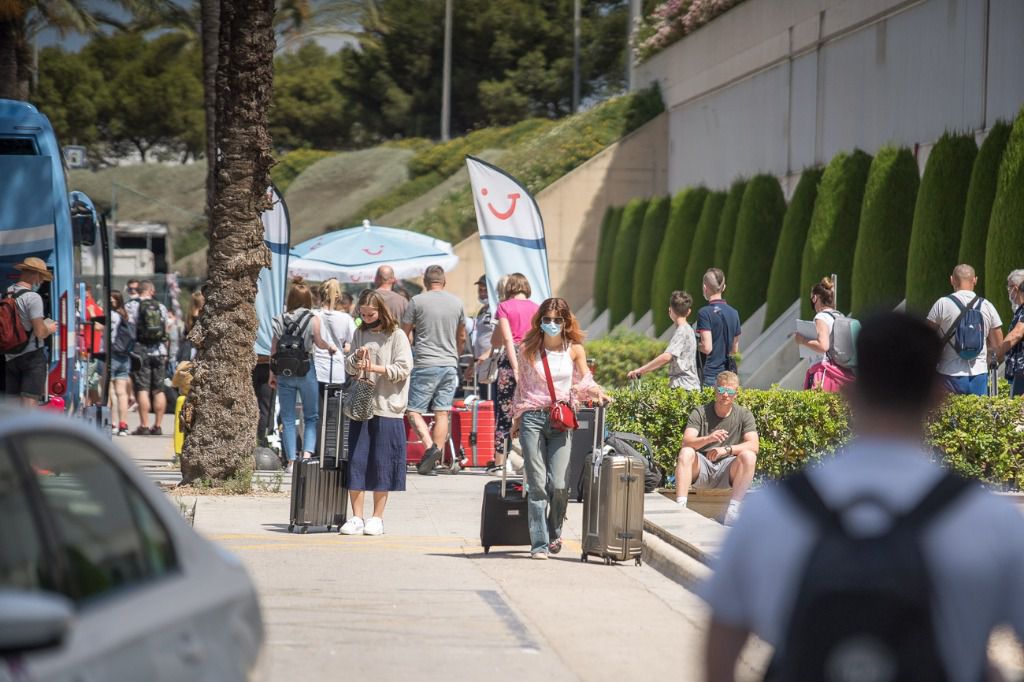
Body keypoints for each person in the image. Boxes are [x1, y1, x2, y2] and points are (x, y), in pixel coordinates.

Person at [702, 311, 1024, 682]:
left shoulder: (772, 510)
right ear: (938, 397)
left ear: (849, 392)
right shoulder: (988, 520)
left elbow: (719, 657)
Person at [510, 297, 609, 559]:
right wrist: (516, 419)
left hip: (561, 418)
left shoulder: (574, 349)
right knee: (538, 483)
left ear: (565, 322)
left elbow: (586, 379)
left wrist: (597, 392)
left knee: (561, 484)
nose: (552, 324)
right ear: (540, 321)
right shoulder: (528, 348)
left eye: (557, 320)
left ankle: (555, 531)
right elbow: (522, 387)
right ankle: (539, 544)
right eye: (547, 320)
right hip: (532, 417)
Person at [338, 290, 413, 537]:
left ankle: (377, 517)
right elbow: (349, 366)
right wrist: (356, 360)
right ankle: (356, 516)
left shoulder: (397, 335)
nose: (366, 318)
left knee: (383, 463)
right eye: (362, 314)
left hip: (388, 405)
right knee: (357, 461)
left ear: (381, 311)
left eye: (370, 314)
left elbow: (404, 368)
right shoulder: (359, 332)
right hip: (362, 406)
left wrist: (376, 368)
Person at [401, 265, 466, 475]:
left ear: (425, 282)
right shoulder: (457, 303)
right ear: (444, 281)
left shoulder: (417, 301)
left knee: (413, 411)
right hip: (449, 364)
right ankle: (434, 461)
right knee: (442, 412)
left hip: (425, 363)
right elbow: (462, 336)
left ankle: (431, 449)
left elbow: (404, 333)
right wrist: (455, 354)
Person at [269, 278, 337, 473]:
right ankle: (306, 456)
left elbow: (274, 349)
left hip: (284, 371)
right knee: (311, 416)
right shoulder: (313, 318)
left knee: (288, 417)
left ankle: (290, 461)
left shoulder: (279, 319)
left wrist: (272, 374)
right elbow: (319, 341)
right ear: (308, 299)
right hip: (306, 369)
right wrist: (330, 346)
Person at [674, 371, 758, 526]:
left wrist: (726, 449)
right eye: (721, 390)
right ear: (715, 390)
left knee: (749, 456)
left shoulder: (744, 414)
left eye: (730, 391)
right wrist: (709, 438)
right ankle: (680, 508)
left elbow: (754, 445)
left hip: (728, 470)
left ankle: (732, 511)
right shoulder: (700, 412)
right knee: (686, 452)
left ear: (736, 394)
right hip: (702, 468)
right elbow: (686, 442)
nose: (725, 395)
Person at [926, 264, 1003, 396]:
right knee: (978, 415)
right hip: (979, 374)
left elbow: (925, 339)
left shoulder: (942, 304)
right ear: (975, 280)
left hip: (948, 372)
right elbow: (999, 346)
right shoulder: (987, 305)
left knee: (949, 416)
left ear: (952, 280)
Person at [492, 274, 540, 464]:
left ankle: (500, 462)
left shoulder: (504, 307)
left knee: (504, 411)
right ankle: (531, 459)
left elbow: (507, 339)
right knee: (531, 409)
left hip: (511, 362)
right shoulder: (537, 308)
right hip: (533, 359)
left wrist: (515, 366)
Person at [3, 257, 57, 407]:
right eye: (41, 276)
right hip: (31, 356)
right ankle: (28, 431)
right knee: (29, 403)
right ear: (35, 274)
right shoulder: (33, 298)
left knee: (12, 407)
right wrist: (49, 328)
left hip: (10, 356)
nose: (41, 281)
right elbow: (40, 332)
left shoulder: (6, 294)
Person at [627, 290, 700, 389]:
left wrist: (640, 370)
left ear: (670, 310)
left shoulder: (681, 331)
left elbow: (667, 357)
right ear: (689, 311)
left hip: (683, 386)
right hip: (690, 385)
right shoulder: (688, 329)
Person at [795, 276, 854, 391]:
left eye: (812, 297)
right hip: (842, 372)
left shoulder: (820, 317)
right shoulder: (839, 315)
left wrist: (801, 340)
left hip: (824, 374)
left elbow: (823, 346)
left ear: (816, 297)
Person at [125, 280, 169, 435]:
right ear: (151, 290)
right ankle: (157, 426)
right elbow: (165, 328)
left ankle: (144, 425)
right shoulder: (161, 307)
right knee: (158, 389)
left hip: (140, 352)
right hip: (159, 351)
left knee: (142, 389)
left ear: (140, 290)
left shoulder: (131, 306)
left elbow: (129, 329)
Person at [696, 268, 741, 387]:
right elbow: (734, 349)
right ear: (724, 287)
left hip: (710, 375)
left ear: (705, 288)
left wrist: (693, 344)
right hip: (727, 375)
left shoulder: (704, 313)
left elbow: (707, 347)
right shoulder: (734, 312)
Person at [314, 279, 356, 389]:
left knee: (315, 406)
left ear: (320, 295)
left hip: (315, 369)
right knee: (334, 405)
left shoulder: (312, 315)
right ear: (339, 297)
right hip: (336, 370)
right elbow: (356, 343)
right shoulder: (346, 318)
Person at [466, 275, 496, 400]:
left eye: (485, 290)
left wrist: (486, 355)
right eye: (480, 290)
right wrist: (472, 364)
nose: (482, 293)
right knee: (484, 402)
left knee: (492, 402)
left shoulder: (496, 310)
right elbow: (478, 338)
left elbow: (501, 339)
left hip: (492, 366)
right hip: (481, 364)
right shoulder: (483, 310)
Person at [108, 290, 133, 436]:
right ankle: (124, 425)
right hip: (124, 356)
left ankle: (112, 423)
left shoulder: (111, 316)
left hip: (112, 355)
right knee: (122, 393)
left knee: (110, 391)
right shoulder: (125, 314)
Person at [1001, 269, 1024, 398]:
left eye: (1009, 288)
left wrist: (997, 352)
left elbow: (1017, 334)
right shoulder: (1020, 310)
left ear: (1015, 288)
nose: (1008, 292)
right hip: (1018, 372)